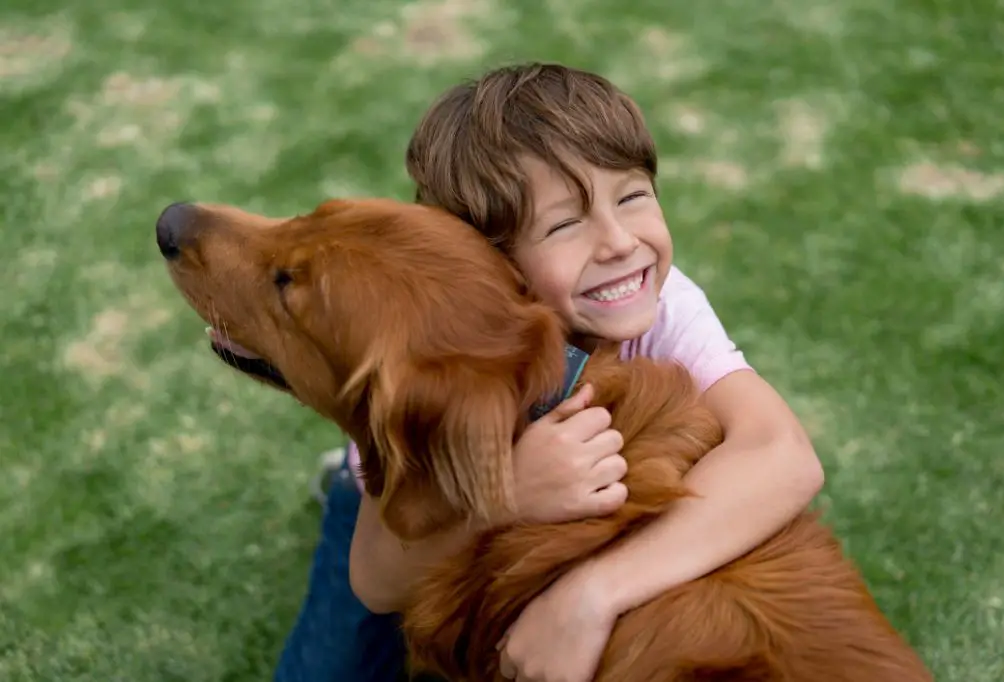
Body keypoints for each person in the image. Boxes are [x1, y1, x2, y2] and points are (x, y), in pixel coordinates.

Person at [275, 62, 825, 682]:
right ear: (491, 265)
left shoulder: (664, 305)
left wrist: (591, 597)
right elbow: (378, 581)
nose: (619, 243)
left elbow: (784, 456)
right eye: (565, 223)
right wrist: (506, 496)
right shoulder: (428, 351)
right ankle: (346, 485)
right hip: (426, 494)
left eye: (633, 196)